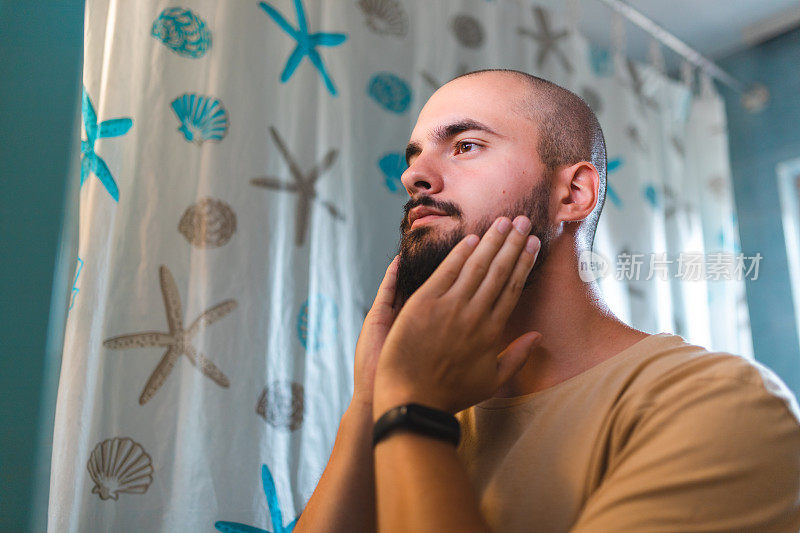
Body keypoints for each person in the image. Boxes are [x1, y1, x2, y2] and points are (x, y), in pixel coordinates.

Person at [294, 69, 800, 532]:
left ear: (574, 194)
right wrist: (371, 402)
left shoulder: (718, 404)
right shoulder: (421, 408)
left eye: (466, 145)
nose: (413, 177)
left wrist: (412, 414)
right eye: (414, 156)